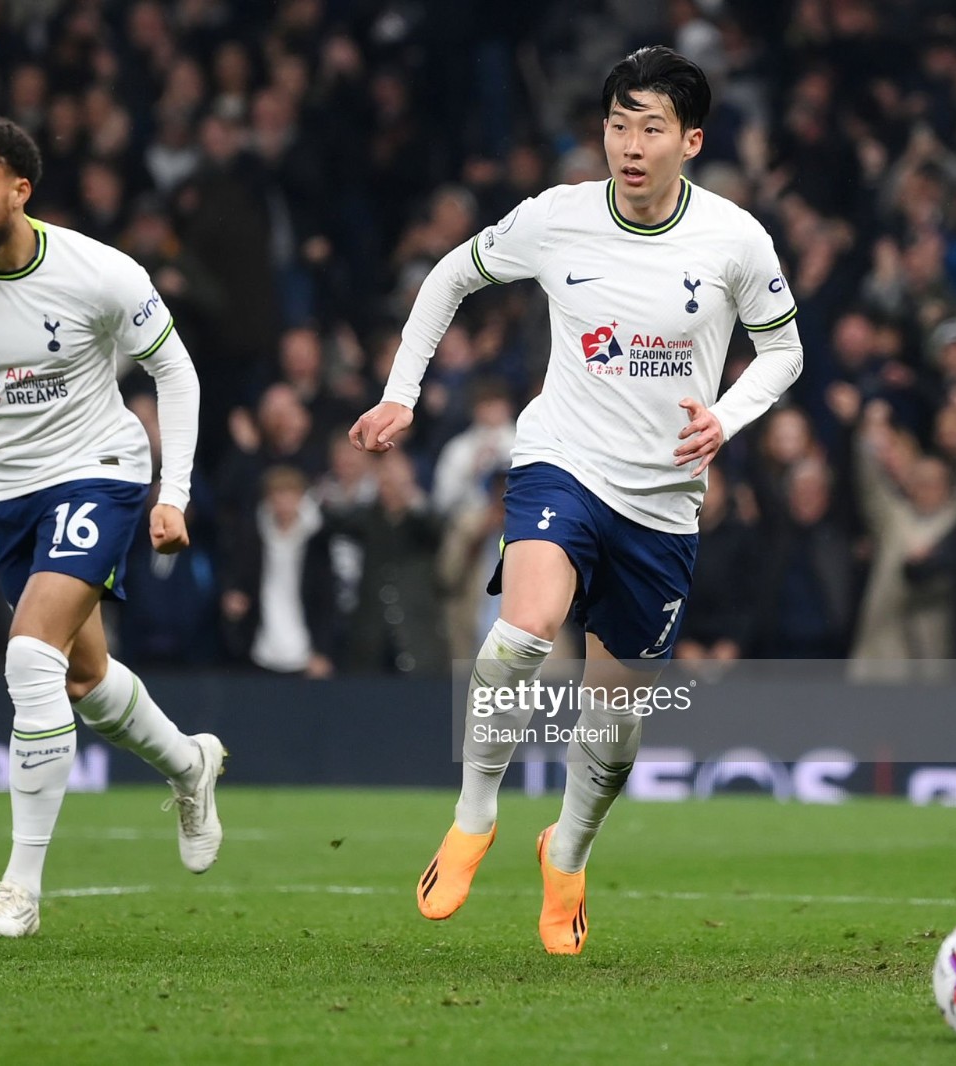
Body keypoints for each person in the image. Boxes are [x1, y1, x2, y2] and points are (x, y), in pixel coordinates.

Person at [349, 47, 803, 955]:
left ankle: (567, 853)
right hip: (563, 459)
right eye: (617, 125)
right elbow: (449, 275)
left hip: (663, 500)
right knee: (523, 633)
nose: (630, 145)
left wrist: (727, 416)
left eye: (651, 128)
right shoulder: (556, 217)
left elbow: (785, 351)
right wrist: (402, 393)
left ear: (691, 140)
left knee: (615, 716)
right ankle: (474, 817)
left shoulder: (736, 239)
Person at [0, 116, 222, 939]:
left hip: (99, 470)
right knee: (84, 680)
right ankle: (190, 764)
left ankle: (20, 888)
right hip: (6, 493)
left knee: (29, 656)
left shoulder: (98, 272)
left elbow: (175, 370)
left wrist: (174, 493)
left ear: (20, 190)